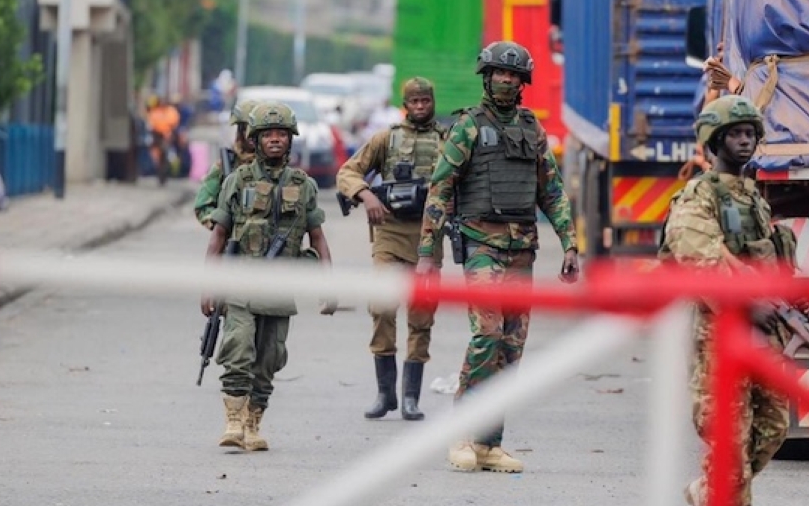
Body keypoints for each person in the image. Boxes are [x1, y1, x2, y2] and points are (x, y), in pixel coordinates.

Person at [415, 40, 579, 474]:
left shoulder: (532, 128)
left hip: (521, 250)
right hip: (481, 245)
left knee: (512, 348)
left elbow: (553, 190)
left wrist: (570, 243)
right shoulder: (468, 127)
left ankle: (491, 443)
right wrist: (428, 255)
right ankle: (462, 433)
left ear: (522, 82)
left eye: (513, 75)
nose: (506, 80)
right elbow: (440, 189)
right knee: (486, 336)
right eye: (499, 74)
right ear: (487, 77)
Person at [659, 95, 796, 506]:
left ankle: (709, 490)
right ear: (715, 140)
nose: (746, 140)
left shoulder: (753, 196)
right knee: (730, 433)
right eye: (736, 133)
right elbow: (699, 258)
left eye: (751, 134)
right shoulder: (699, 195)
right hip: (719, 333)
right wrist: (746, 300)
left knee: (774, 426)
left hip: (763, 331)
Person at [201, 100, 337, 451]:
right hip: (241, 283)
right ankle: (233, 421)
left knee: (269, 359)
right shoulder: (237, 180)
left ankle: (253, 421)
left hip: (280, 287)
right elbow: (218, 235)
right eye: (269, 135)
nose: (275, 140)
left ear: (290, 141)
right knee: (238, 348)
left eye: (282, 134)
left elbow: (318, 237)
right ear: (256, 139)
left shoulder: (303, 185)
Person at [336, 77, 446, 421]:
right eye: (413, 101)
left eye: (425, 101)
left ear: (432, 102)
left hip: (428, 239)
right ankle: (385, 394)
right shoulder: (386, 139)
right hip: (389, 234)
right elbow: (348, 171)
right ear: (405, 104)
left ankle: (411, 396)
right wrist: (367, 195)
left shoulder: (447, 141)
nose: (419, 107)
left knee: (421, 315)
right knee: (382, 307)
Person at [194, 100, 258, 228]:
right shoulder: (226, 166)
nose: (251, 135)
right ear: (240, 131)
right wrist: (221, 224)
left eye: (257, 130)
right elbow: (202, 206)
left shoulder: (276, 167)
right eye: (247, 128)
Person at [146, 95, 181, 184]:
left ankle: (168, 173)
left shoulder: (171, 111)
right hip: (157, 136)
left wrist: (169, 133)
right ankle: (160, 174)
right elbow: (152, 124)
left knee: (167, 155)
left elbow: (174, 123)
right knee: (158, 156)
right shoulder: (155, 112)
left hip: (168, 136)